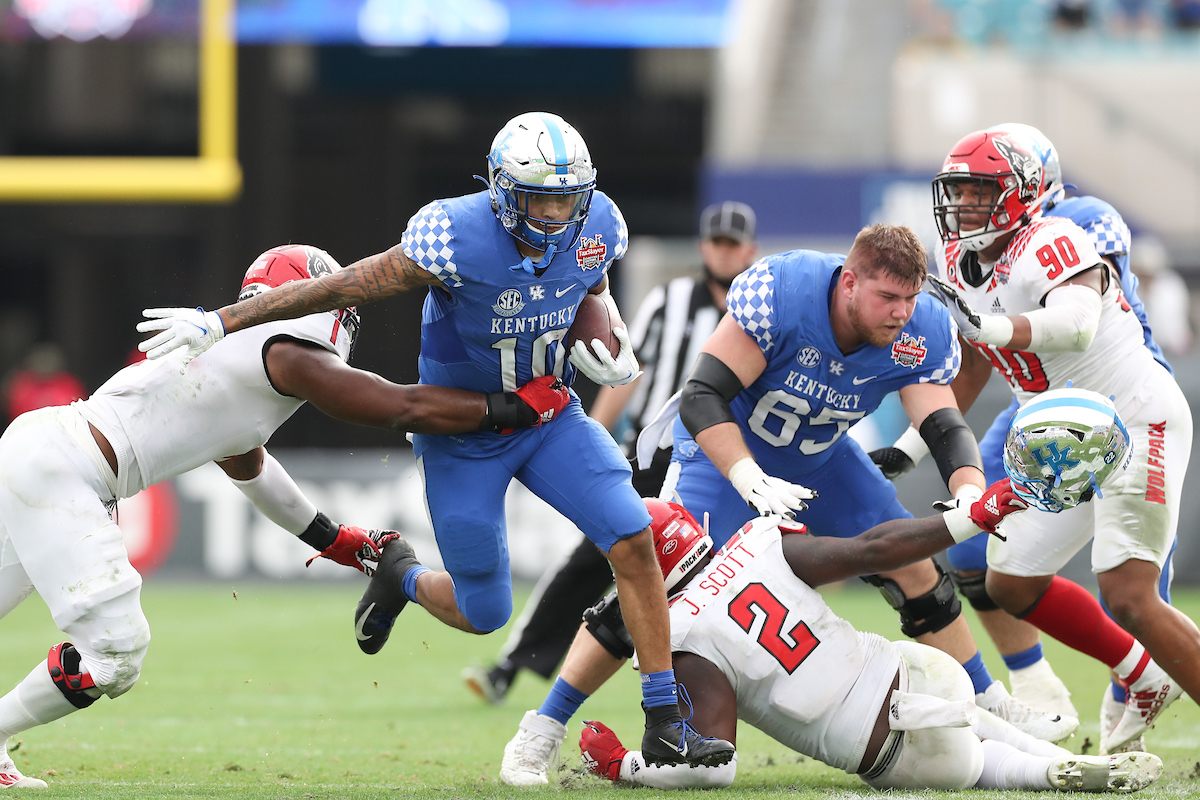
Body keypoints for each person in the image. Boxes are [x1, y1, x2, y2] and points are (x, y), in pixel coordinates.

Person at [133, 113, 735, 770]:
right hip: (464, 436)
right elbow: (339, 285)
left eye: (569, 197)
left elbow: (590, 283)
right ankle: (403, 576)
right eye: (542, 198)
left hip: (551, 417)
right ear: (504, 192)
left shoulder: (599, 227)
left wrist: (604, 327)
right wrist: (222, 321)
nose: (559, 214)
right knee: (485, 612)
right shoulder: (454, 235)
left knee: (633, 539)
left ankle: (663, 720)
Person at [0, 244, 573, 789]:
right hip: (66, 471)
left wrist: (334, 540)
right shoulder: (284, 352)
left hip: (51, 456)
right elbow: (398, 405)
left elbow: (250, 466)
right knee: (116, 654)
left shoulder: (243, 358)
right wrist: (507, 409)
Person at [660, 223, 1070, 738]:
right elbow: (702, 395)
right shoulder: (783, 290)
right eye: (888, 297)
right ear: (849, 283)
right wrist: (745, 474)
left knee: (917, 569)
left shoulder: (921, 327)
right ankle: (552, 722)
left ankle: (987, 701)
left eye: (910, 298)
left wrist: (969, 490)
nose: (902, 312)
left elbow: (943, 425)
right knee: (672, 587)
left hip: (820, 457)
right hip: (730, 453)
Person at [869, 122, 1177, 739]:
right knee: (986, 559)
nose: (967, 207)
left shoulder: (1069, 229)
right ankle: (1063, 681)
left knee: (1134, 586)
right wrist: (911, 445)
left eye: (982, 192)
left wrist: (995, 326)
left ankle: (1138, 673)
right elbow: (973, 364)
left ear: (1026, 188)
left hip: (1117, 400)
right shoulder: (966, 256)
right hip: (1040, 408)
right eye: (963, 192)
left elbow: (1077, 322)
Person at [575, 496, 1162, 793]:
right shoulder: (758, 544)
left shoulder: (682, 633)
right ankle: (1058, 764)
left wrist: (623, 765)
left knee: (977, 766)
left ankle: (1042, 773)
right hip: (921, 669)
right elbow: (873, 551)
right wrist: (970, 518)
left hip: (886, 744)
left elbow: (713, 768)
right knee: (970, 722)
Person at [461, 200, 760, 706]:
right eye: (716, 241)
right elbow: (623, 362)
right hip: (650, 454)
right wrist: (593, 431)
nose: (724, 252)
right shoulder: (671, 299)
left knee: (722, 574)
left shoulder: (759, 306)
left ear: (749, 250)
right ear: (703, 246)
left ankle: (722, 686)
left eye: (734, 243)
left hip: (717, 462)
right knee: (588, 561)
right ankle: (513, 666)